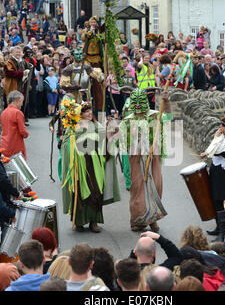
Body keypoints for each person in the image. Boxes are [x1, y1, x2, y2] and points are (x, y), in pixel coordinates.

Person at [61, 101, 120, 233]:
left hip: (95, 164)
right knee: (80, 192)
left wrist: (112, 129)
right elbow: (65, 144)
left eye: (90, 111)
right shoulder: (72, 127)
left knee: (96, 191)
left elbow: (106, 139)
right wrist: (72, 148)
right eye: (86, 111)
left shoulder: (96, 125)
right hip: (79, 165)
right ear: (79, 114)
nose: (89, 113)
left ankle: (94, 222)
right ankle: (80, 222)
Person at [119, 89, 172, 232]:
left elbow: (168, 117)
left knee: (155, 187)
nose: (137, 106)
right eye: (134, 103)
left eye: (139, 103)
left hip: (152, 157)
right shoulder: (127, 120)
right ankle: (138, 220)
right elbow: (122, 143)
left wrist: (166, 101)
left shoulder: (155, 116)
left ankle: (153, 219)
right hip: (135, 159)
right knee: (137, 189)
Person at [0, 91, 29, 159]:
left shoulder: (4, 112)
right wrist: (26, 134)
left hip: (4, 144)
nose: (22, 104)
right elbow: (23, 132)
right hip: (15, 145)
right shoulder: (18, 113)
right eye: (21, 101)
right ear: (17, 101)